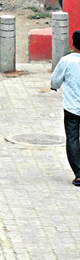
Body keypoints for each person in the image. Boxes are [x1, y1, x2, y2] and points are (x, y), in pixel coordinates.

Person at [49, 30, 80, 186]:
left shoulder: (67, 61)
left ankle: (79, 173)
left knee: (73, 138)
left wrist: (54, 87)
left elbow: (55, 80)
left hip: (72, 108)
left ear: (73, 44)